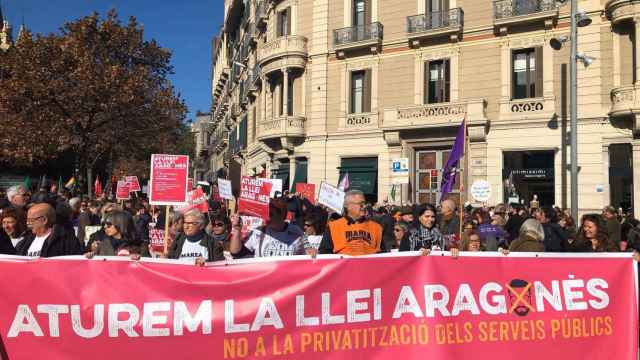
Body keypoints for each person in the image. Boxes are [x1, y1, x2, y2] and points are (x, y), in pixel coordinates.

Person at [231, 198, 308, 258]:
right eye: (265, 214)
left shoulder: (296, 231)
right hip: (264, 276)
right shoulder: (259, 232)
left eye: (270, 214)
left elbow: (308, 254)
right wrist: (237, 229)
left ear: (282, 215)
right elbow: (236, 253)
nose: (266, 218)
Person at [319, 190, 385, 256]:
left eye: (364, 203)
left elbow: (384, 255)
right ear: (348, 206)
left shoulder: (377, 227)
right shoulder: (333, 227)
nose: (364, 206)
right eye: (360, 204)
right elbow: (324, 255)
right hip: (345, 265)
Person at [16, 203, 82, 257]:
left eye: (31, 220)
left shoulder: (66, 241)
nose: (28, 223)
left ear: (44, 220)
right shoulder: (24, 242)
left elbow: (75, 263)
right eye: (27, 220)